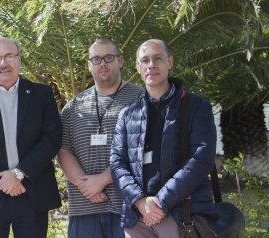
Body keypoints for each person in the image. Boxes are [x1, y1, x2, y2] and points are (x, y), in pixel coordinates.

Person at [110, 39, 218, 238]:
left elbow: (201, 159)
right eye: (145, 60)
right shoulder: (127, 114)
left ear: (169, 62)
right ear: (138, 67)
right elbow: (117, 162)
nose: (151, 65)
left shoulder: (196, 107)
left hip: (180, 216)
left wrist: (159, 202)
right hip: (137, 219)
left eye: (157, 58)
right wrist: (140, 202)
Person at [0, 37, 62, 238]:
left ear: (19, 60)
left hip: (32, 193)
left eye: (9, 56)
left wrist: (18, 173)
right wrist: (2, 179)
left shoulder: (41, 94)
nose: (2, 63)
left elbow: (52, 138)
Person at [58, 39, 144, 238]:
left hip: (130, 207)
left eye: (108, 58)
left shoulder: (141, 98)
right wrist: (85, 185)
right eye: (96, 59)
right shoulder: (73, 106)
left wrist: (104, 179)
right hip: (84, 208)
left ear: (120, 61)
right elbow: (63, 150)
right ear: (89, 65)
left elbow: (143, 147)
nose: (102, 63)